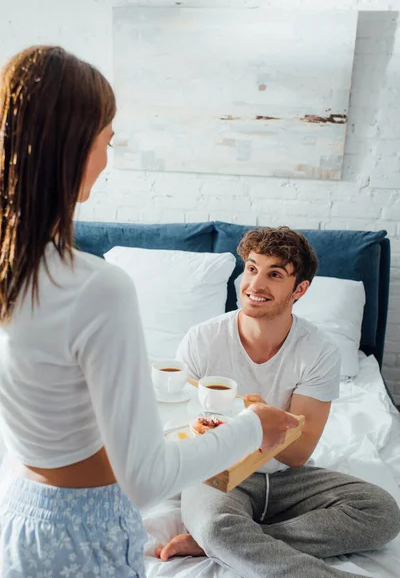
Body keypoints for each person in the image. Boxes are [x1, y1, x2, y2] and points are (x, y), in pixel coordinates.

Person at [0, 46, 299, 577]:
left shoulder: (13, 275)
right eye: (106, 140)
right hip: (84, 526)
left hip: (23, 516)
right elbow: (146, 477)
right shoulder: (95, 286)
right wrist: (253, 426)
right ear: (76, 148)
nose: (108, 158)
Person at [156, 227, 400, 578]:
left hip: (288, 478)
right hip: (221, 476)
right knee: (213, 525)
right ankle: (220, 538)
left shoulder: (318, 351)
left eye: (274, 274)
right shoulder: (203, 339)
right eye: (252, 268)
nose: (255, 285)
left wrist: (256, 418)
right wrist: (255, 424)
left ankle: (230, 542)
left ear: (299, 289)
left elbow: (298, 452)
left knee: (382, 513)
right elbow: (182, 429)